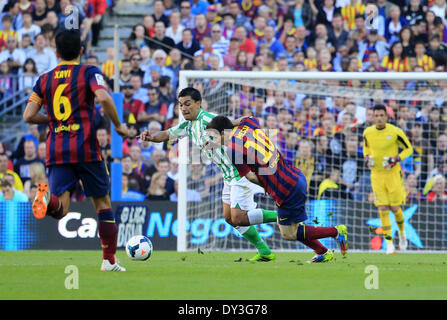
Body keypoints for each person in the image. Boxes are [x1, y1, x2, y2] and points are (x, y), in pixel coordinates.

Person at [23, 30, 129, 272]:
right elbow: (103, 97)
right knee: (103, 203)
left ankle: (46, 197)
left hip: (57, 149)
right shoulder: (89, 72)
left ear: (56, 52)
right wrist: (119, 126)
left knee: (60, 210)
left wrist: (53, 121)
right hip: (87, 149)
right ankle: (109, 261)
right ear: (81, 51)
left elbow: (28, 115)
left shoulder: (44, 79)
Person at [139, 87, 277, 262]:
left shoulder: (208, 119)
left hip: (240, 172)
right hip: (228, 177)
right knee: (229, 218)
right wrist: (151, 137)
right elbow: (167, 134)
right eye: (180, 105)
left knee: (238, 217)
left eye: (187, 104)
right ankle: (264, 251)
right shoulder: (188, 126)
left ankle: (285, 216)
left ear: (198, 103)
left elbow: (234, 127)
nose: (183, 108)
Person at [205, 115, 348, 263]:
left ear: (222, 133)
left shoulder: (233, 150)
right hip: (294, 175)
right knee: (291, 228)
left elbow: (251, 177)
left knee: (289, 233)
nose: (214, 141)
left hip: (284, 188)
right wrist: (229, 124)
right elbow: (247, 117)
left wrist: (266, 186)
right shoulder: (248, 124)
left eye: (214, 137)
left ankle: (336, 231)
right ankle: (322, 251)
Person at [363, 104, 414, 255]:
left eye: (381, 115)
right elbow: (366, 149)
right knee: (383, 208)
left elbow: (409, 149)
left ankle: (402, 234)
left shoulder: (395, 131)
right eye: (376, 115)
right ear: (373, 117)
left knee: (395, 208)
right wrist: (367, 158)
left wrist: (396, 158)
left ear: (386, 116)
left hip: (393, 175)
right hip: (377, 175)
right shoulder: (367, 133)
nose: (379, 118)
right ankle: (389, 243)